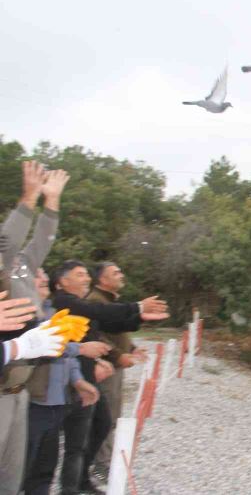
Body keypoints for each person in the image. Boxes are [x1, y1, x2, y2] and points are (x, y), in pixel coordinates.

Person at [51, 260, 168, 495]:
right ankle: (70, 486)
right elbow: (100, 313)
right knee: (76, 437)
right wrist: (137, 306)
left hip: (87, 375)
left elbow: (109, 323)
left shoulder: (80, 303)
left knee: (101, 423)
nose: (87, 279)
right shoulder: (63, 301)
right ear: (63, 281)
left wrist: (140, 317)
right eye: (80, 275)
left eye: (87, 274)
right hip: (72, 379)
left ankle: (81, 478)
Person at [0, 161, 70, 494]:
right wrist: (28, 198)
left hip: (18, 391)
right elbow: (5, 243)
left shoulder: (22, 268)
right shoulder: (3, 260)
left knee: (12, 481)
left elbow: (42, 240)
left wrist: (51, 201)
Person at [24, 268, 107, 495]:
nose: (44, 279)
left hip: (55, 402)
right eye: (38, 277)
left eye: (43, 276)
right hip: (32, 403)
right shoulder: (22, 317)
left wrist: (78, 381)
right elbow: (39, 348)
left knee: (45, 469)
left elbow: (66, 358)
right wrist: (80, 348)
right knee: (23, 468)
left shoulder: (53, 313)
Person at [88, 262, 147, 482]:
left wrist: (131, 348)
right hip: (105, 368)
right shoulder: (95, 301)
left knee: (113, 415)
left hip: (116, 366)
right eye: (116, 272)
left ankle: (106, 460)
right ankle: (101, 465)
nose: (121, 275)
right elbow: (96, 336)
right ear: (102, 279)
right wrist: (117, 356)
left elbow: (116, 331)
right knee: (106, 416)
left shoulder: (110, 301)